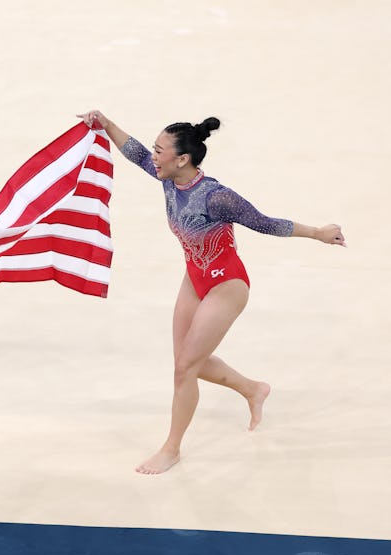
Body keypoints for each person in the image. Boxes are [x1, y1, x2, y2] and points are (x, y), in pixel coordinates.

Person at [78, 110, 345, 475]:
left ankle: (171, 448)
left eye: (160, 151)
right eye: (155, 150)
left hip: (226, 284)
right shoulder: (168, 179)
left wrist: (318, 232)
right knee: (188, 363)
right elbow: (136, 153)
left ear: (182, 159)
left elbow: (265, 223)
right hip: (195, 276)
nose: (152, 157)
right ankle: (253, 390)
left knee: (185, 369)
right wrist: (106, 123)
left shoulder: (216, 197)